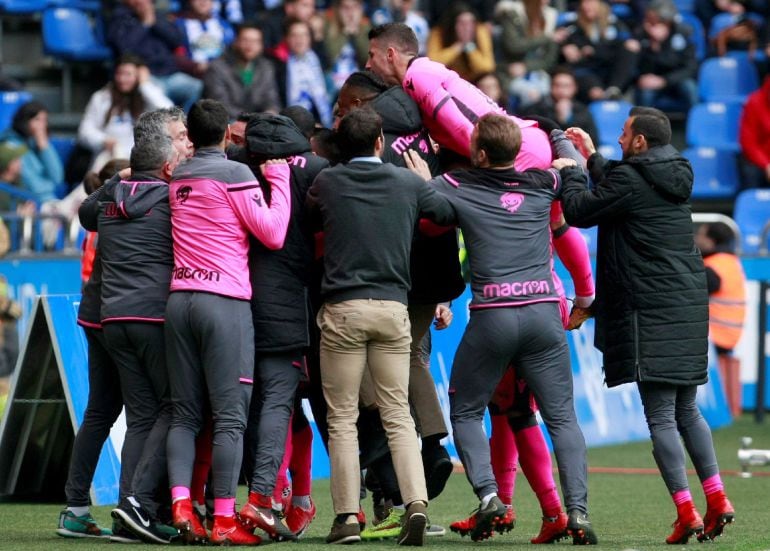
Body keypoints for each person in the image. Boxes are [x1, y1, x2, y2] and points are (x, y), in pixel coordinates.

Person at [404, 112, 597, 545]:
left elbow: (427, 211)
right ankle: (578, 513)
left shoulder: (458, 187)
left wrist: (420, 178)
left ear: (480, 153)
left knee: (466, 409)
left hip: (494, 313)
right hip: (546, 312)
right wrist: (557, 138)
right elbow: (573, 171)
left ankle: (490, 496)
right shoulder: (543, 182)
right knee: (562, 417)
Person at [561, 107, 735, 544]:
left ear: (640, 142)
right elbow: (625, 185)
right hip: (686, 306)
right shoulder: (674, 172)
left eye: (623, 135)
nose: (618, 140)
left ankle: (686, 511)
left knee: (659, 415)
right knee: (687, 409)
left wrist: (569, 171)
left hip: (649, 311)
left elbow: (580, 210)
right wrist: (592, 158)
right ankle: (717, 498)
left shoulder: (631, 180)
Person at [305, 106, 456, 546]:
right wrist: (427, 180)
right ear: (380, 143)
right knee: (397, 415)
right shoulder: (407, 182)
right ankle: (416, 504)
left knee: (343, 420)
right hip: (393, 309)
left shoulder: (328, 182)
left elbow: (311, 218)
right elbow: (445, 214)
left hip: (342, 310)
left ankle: (348, 518)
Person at [164, 99, 291, 546]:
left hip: (179, 301)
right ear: (225, 137)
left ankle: (181, 504)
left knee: (184, 413)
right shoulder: (237, 174)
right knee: (230, 419)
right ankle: (222, 518)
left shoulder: (179, 174)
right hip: (225, 302)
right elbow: (273, 232)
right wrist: (279, 178)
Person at [80, 132, 181, 545]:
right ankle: (139, 501)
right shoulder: (173, 201)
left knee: (140, 416)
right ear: (167, 168)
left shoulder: (108, 205)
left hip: (113, 319)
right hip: (153, 317)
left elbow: (85, 209)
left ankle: (129, 514)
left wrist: (114, 178)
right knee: (174, 407)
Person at [232, 112, 328, 541]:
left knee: (241, 409)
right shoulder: (316, 174)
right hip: (294, 307)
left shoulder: (231, 175)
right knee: (285, 407)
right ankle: (268, 498)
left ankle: (214, 506)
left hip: (233, 302)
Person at [77, 54, 173, 173]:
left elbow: (169, 112)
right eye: (119, 73)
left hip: (140, 164)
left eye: (128, 74)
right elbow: (84, 131)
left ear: (138, 75)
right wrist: (103, 140)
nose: (122, 79)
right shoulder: (101, 97)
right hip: (108, 162)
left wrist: (144, 84)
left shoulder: (147, 95)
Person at [106, 0, 203, 111]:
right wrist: (144, 24)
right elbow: (124, 47)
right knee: (156, 99)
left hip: (170, 74)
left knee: (198, 87)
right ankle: (169, 126)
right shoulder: (120, 17)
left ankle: (184, 125)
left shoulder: (158, 15)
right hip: (146, 75)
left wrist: (155, 22)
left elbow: (177, 40)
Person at [695, 222, 747, 417]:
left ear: (711, 241)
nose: (696, 239)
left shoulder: (713, 267)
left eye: (700, 235)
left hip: (714, 334)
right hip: (730, 334)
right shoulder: (731, 262)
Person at [624, 0, 698, 112]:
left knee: (690, 87)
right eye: (649, 20)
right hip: (651, 78)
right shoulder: (640, 34)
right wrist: (653, 46)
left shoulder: (683, 33)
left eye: (657, 21)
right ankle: (645, 128)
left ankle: (696, 124)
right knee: (645, 93)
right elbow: (635, 67)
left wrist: (665, 80)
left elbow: (690, 68)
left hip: (675, 78)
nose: (651, 24)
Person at [203, 24, 282, 119]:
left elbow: (271, 99)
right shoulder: (218, 67)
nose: (250, 45)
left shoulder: (266, 67)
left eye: (255, 41)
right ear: (236, 42)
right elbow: (220, 106)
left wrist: (270, 112)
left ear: (261, 45)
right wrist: (252, 119)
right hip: (228, 122)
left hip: (258, 123)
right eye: (245, 40)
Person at [493, 0, 561, 109]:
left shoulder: (550, 16)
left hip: (539, 73)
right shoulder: (513, 14)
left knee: (543, 90)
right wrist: (545, 38)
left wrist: (526, 66)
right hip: (509, 72)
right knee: (528, 93)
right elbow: (513, 46)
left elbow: (550, 59)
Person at [272, 18, 333, 128]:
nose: (300, 40)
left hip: (321, 122)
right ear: (287, 39)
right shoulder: (278, 64)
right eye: (294, 35)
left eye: (304, 35)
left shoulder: (320, 61)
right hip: (290, 124)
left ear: (310, 38)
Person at [520, 66, 599, 145]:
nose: (561, 90)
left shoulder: (583, 111)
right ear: (551, 87)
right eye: (557, 85)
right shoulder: (536, 109)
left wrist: (566, 120)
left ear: (575, 88)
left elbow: (593, 141)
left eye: (566, 86)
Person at [426, 3, 495, 83]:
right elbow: (433, 62)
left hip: (474, 81)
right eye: (462, 23)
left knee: (489, 81)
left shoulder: (480, 31)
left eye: (470, 23)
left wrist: (469, 47)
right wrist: (457, 47)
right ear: (453, 25)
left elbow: (487, 66)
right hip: (447, 80)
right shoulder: (439, 33)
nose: (467, 28)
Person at [324, 0, 371, 92]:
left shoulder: (366, 29)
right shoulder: (328, 28)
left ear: (360, 9)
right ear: (338, 10)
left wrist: (357, 34)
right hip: (334, 86)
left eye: (354, 7)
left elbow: (367, 60)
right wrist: (344, 32)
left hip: (359, 86)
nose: (350, 12)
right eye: (346, 8)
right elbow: (330, 58)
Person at [175, 0, 235, 71]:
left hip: (221, 73)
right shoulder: (179, 25)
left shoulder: (224, 25)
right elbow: (177, 54)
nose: (203, 2)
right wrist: (194, 66)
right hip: (191, 74)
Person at [738, 74, 770, 189]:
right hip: (758, 161)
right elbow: (748, 142)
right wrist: (766, 164)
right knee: (750, 170)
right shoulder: (754, 102)